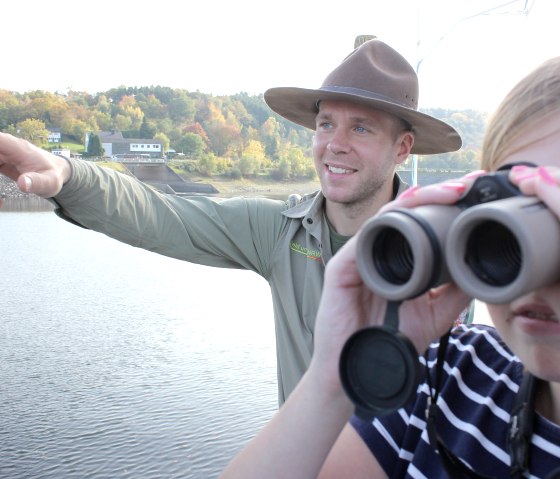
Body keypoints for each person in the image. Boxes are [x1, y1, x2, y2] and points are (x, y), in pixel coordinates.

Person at [0, 39, 460, 404]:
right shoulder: (280, 230)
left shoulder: (447, 248)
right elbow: (162, 215)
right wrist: (67, 174)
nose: (334, 144)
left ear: (402, 148)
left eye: (360, 128)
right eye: (325, 124)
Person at [218, 57, 560, 478]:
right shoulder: (451, 374)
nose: (541, 268)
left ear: (403, 148)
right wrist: (331, 378)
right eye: (519, 208)